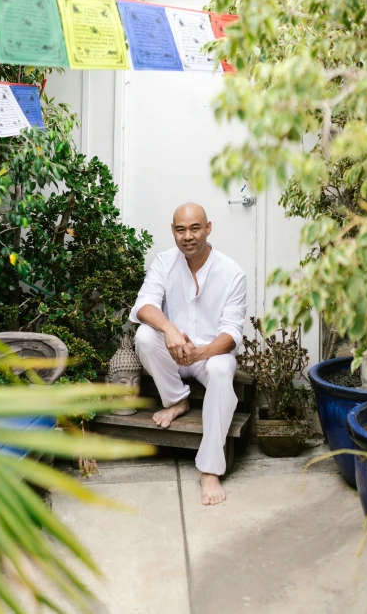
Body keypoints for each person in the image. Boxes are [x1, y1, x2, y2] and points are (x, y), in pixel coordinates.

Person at [130, 202, 247, 506]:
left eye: (195, 228)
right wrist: (168, 328)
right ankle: (176, 400)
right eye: (180, 229)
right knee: (144, 335)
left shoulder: (232, 272)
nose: (188, 236)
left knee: (223, 369)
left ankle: (210, 470)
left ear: (208, 228)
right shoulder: (164, 262)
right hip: (173, 352)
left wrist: (201, 353)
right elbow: (143, 306)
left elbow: (232, 334)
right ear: (173, 231)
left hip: (208, 356)